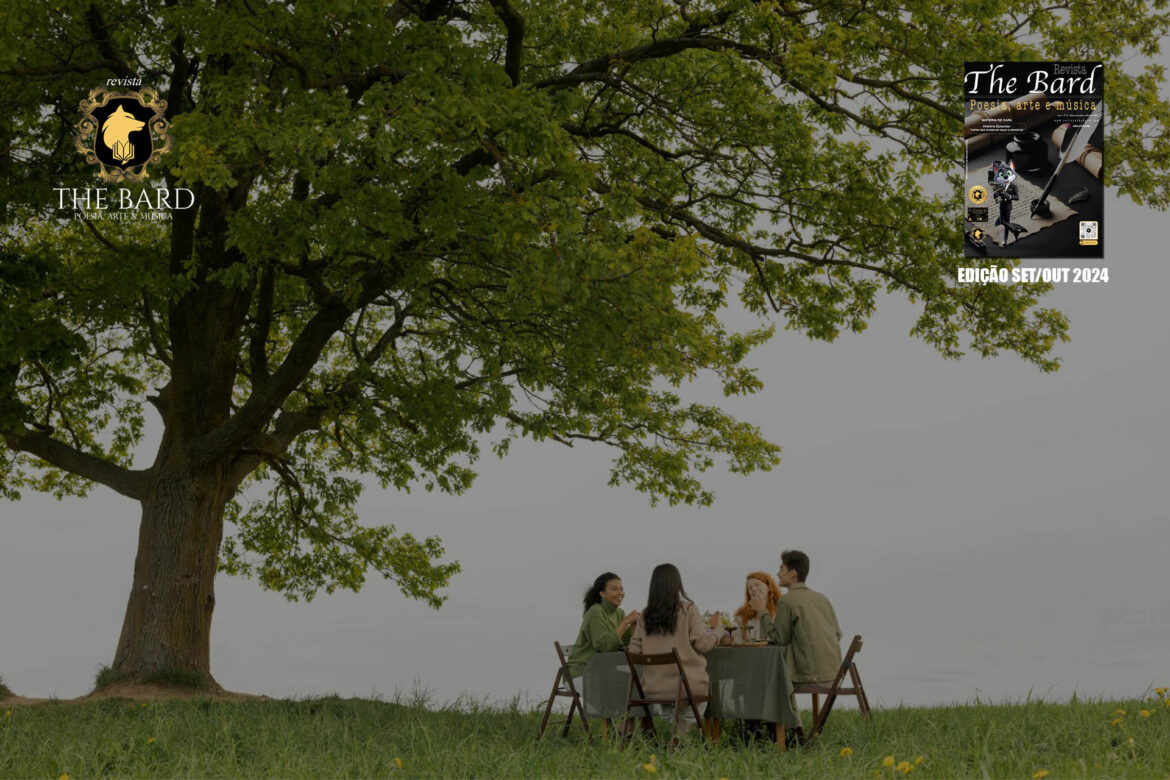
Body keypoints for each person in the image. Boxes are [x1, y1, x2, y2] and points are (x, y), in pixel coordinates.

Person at [629, 563, 721, 728]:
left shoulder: (645, 615)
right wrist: (718, 631)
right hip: (686, 687)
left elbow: (634, 650)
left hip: (654, 688)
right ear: (677, 585)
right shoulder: (688, 610)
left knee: (675, 705)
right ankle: (681, 732)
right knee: (704, 691)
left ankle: (677, 733)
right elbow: (703, 645)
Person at [752, 550, 842, 685]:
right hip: (835, 675)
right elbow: (838, 635)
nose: (777, 574)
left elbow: (779, 639)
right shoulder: (822, 599)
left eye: (781, 569)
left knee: (762, 674)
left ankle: (780, 707)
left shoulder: (787, 601)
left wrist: (762, 611)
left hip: (808, 677)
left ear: (793, 573)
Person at [566, 572, 640, 679]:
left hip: (604, 670)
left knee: (636, 681)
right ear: (602, 594)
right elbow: (605, 647)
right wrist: (625, 622)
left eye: (621, 589)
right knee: (627, 684)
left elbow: (622, 644)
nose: (620, 593)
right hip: (583, 671)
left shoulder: (619, 613)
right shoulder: (596, 611)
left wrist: (634, 626)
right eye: (614, 589)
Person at [732, 571, 782, 641]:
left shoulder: (781, 610)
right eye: (750, 588)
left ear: (768, 587)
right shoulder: (742, 615)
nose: (754, 589)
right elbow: (739, 640)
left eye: (757, 585)